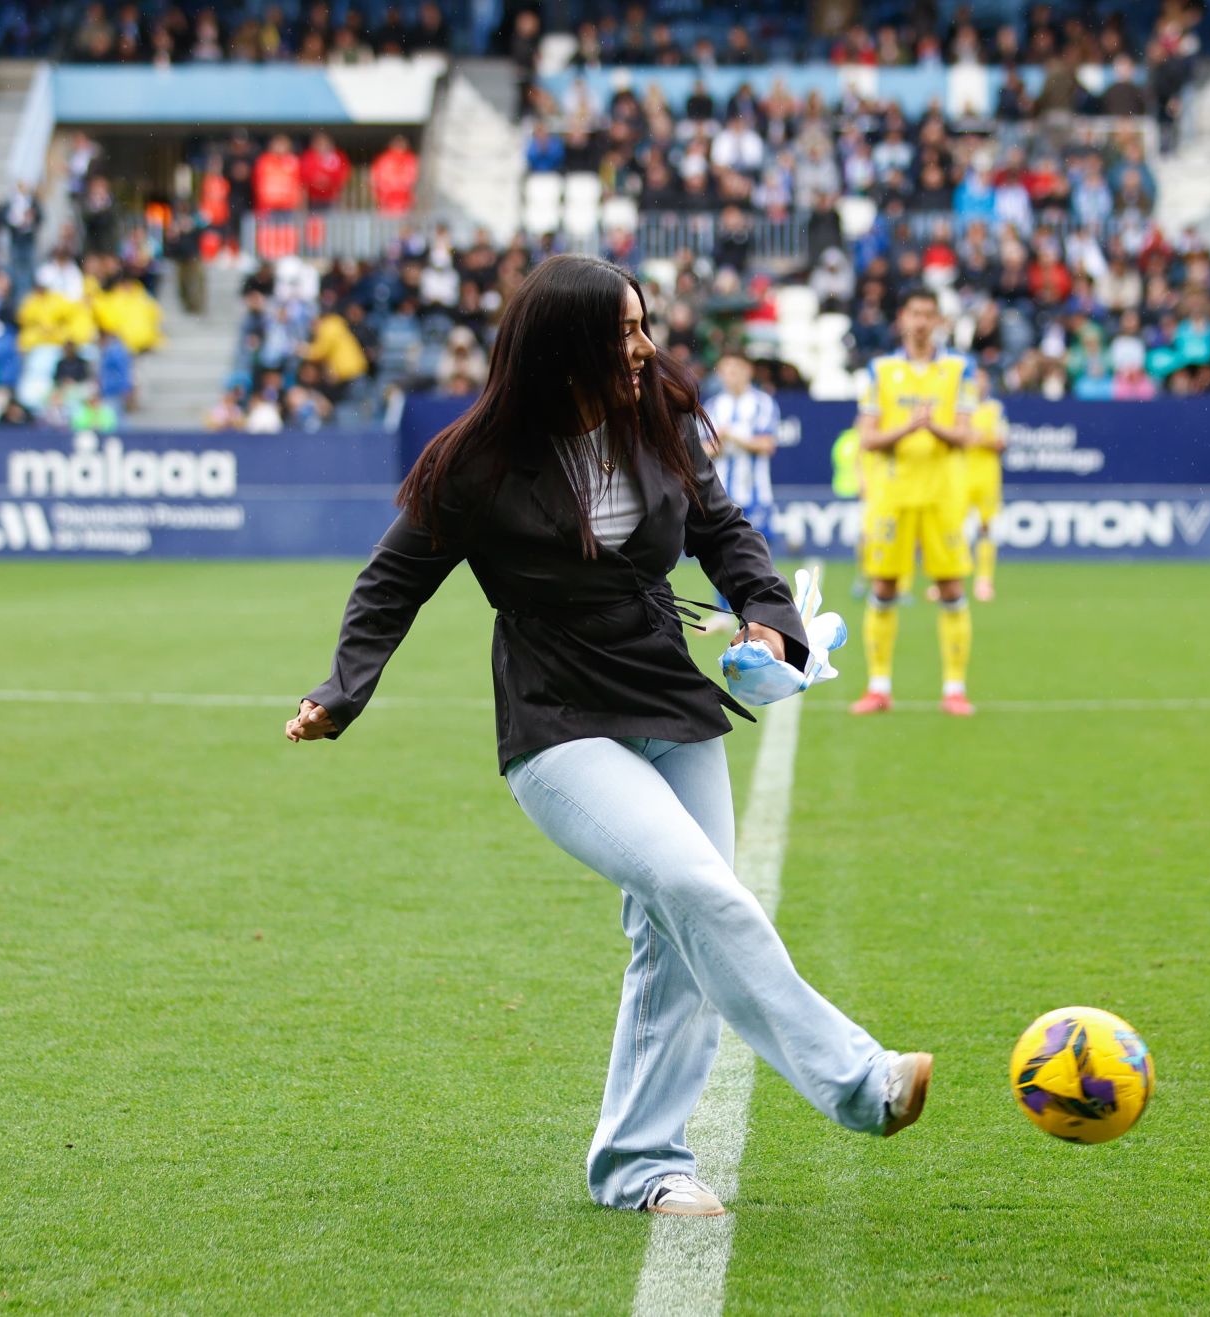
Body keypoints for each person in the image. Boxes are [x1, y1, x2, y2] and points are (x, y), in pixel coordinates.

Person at [285, 254, 931, 1217]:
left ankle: (639, 1165)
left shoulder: (656, 416)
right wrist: (342, 690)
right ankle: (860, 1081)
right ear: (565, 345)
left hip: (667, 698)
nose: (642, 346)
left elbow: (723, 529)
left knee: (678, 936)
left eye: (643, 325)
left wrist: (768, 615)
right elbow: (393, 582)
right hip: (557, 723)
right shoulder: (474, 461)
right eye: (624, 331)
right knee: (697, 887)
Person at [850, 289, 978, 717]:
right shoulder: (881, 370)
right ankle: (879, 686)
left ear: (938, 320)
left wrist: (932, 427)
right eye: (915, 314)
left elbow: (966, 434)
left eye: (929, 314)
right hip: (893, 495)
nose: (921, 321)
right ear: (903, 319)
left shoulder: (960, 369)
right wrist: (909, 426)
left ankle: (955, 688)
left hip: (943, 494)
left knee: (951, 588)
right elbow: (867, 437)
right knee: (883, 586)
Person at [701, 351, 781, 633]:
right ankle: (723, 613)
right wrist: (719, 442)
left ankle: (762, 613)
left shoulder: (763, 404)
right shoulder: (712, 406)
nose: (730, 375)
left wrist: (733, 436)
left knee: (757, 555)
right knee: (721, 552)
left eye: (735, 368)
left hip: (755, 494)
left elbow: (767, 444)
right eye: (724, 369)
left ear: (747, 371)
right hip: (721, 494)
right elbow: (702, 450)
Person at [964, 369, 1007, 602]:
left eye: (982, 381)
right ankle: (952, 580)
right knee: (954, 530)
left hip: (987, 478)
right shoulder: (958, 410)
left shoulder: (995, 410)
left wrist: (983, 439)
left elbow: (1002, 442)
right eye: (975, 381)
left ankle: (984, 581)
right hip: (960, 477)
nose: (978, 385)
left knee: (986, 528)